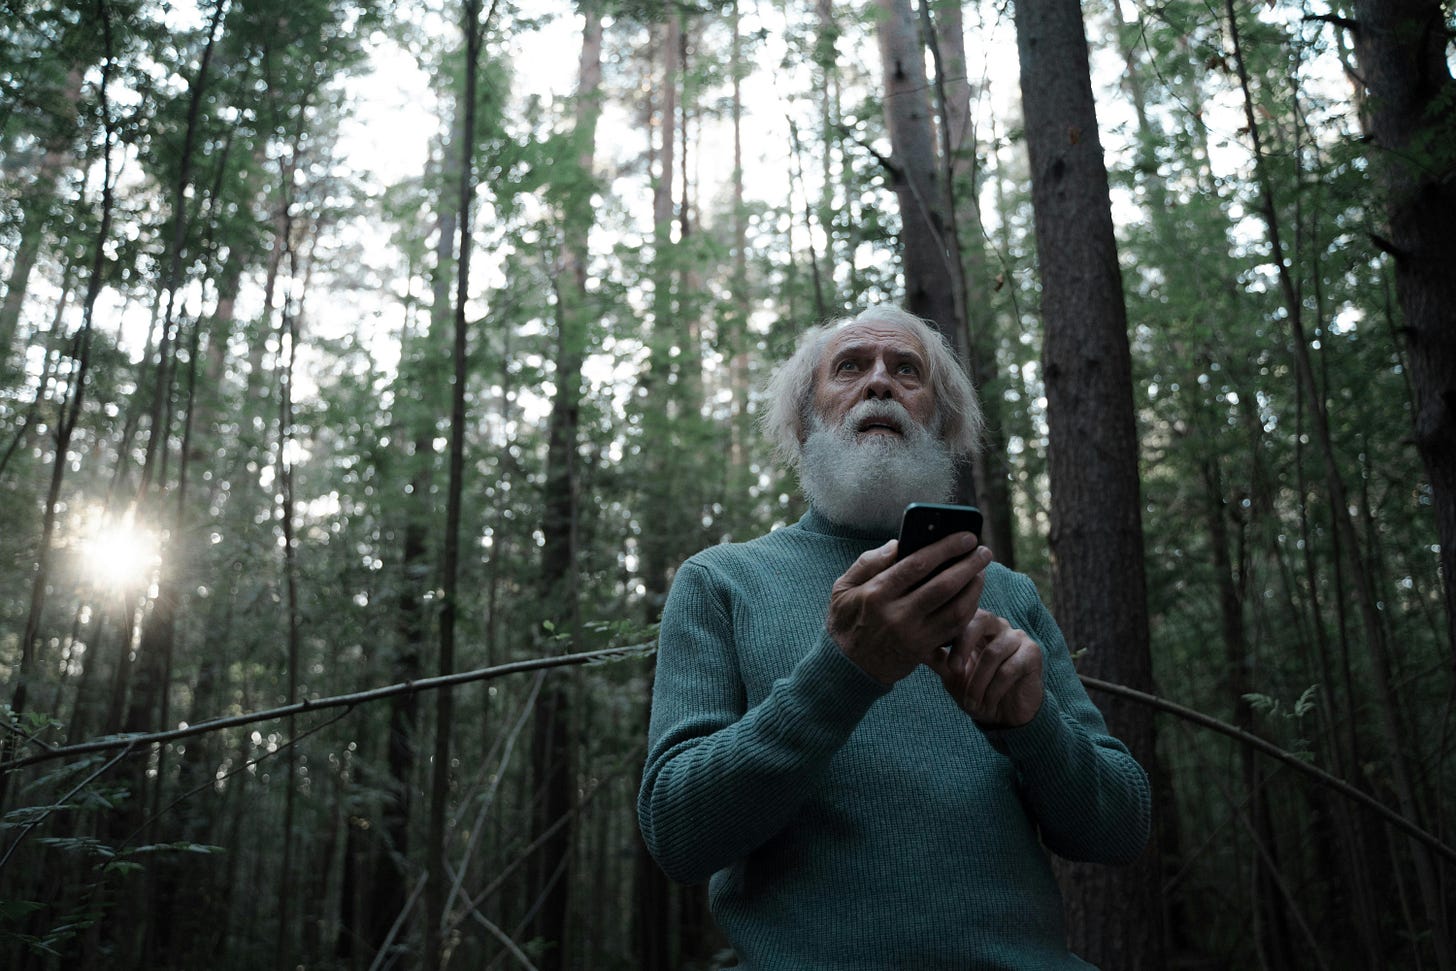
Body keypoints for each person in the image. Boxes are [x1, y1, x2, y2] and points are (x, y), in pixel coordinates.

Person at [637, 305, 1151, 969]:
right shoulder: (722, 582)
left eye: (907, 371)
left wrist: (1033, 725)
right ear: (806, 418)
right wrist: (844, 671)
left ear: (942, 421)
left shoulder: (1007, 593)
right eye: (850, 367)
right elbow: (678, 835)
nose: (879, 382)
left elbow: (1121, 830)